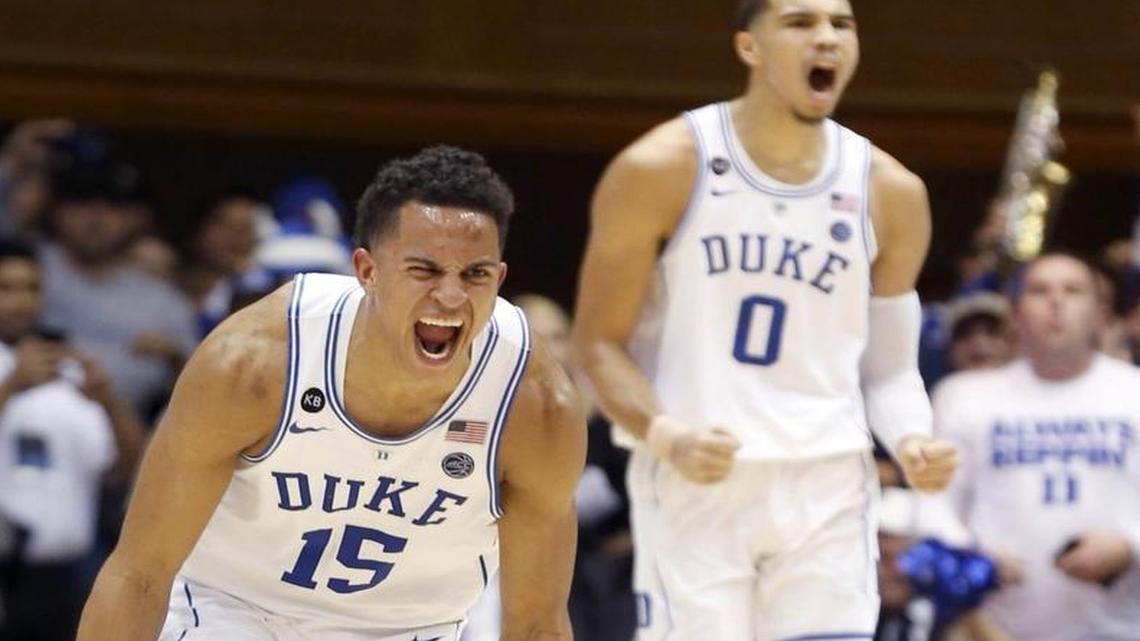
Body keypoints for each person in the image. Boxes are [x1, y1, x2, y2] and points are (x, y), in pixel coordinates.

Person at [76, 145, 586, 641]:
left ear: (498, 279)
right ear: (366, 271)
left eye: (474, 274)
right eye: (424, 270)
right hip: (235, 612)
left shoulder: (534, 402)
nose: (451, 297)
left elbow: (537, 624)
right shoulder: (254, 363)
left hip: (413, 629)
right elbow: (139, 573)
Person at [571, 1, 959, 639]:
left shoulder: (892, 192)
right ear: (749, 47)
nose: (827, 39)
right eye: (801, 23)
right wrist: (667, 435)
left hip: (828, 483)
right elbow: (597, 345)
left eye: (843, 24)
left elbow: (890, 370)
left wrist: (912, 437)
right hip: (699, 479)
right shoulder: (660, 168)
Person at [917, 252, 1140, 641]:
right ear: (1016, 315)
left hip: (1119, 624)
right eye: (1040, 291)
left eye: (1073, 291)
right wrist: (971, 557)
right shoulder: (964, 396)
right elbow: (932, 503)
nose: (1056, 302)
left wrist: (1129, 547)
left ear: (1101, 314)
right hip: (992, 624)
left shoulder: (1133, 392)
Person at [0, 238, 145, 641]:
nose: (21, 301)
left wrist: (111, 403)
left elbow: (129, 472)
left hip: (70, 573)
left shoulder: (66, 370)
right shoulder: (18, 373)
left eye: (31, 288)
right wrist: (10, 387)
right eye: (6, 288)